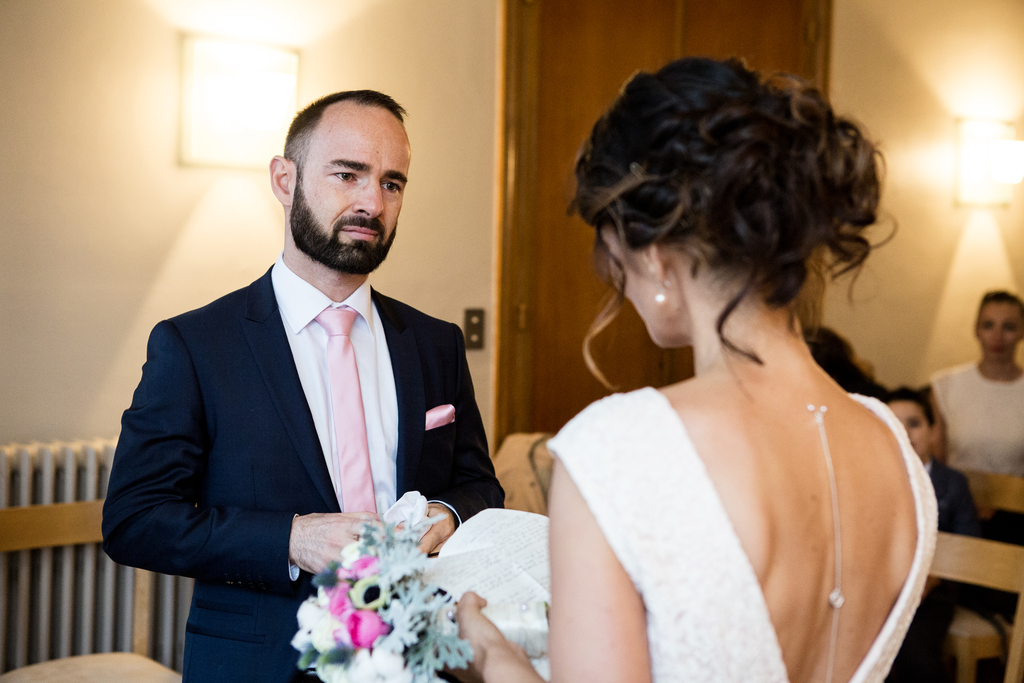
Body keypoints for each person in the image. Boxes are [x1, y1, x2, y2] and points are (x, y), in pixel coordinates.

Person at [456, 58, 936, 683]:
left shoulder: (618, 447)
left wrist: (495, 658)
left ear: (654, 258)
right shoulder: (891, 446)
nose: (619, 288)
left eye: (614, 260)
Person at [101, 90, 504, 683]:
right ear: (284, 180)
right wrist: (292, 538)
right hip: (259, 662)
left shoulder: (434, 343)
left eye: (393, 184)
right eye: (349, 174)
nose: (372, 201)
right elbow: (134, 520)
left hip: (422, 658)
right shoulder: (195, 346)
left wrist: (445, 514)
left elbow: (480, 489)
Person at [884, 387, 980, 683]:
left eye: (913, 423)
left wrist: (931, 578)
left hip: (933, 591)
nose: (905, 433)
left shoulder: (951, 483)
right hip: (883, 590)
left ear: (932, 430)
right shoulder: (874, 478)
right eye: (893, 424)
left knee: (915, 653)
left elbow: (969, 543)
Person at [931, 290, 1024, 476]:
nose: (998, 337)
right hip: (958, 501)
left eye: (1009, 327)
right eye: (988, 325)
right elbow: (935, 463)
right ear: (976, 330)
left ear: (1022, 332)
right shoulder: (946, 385)